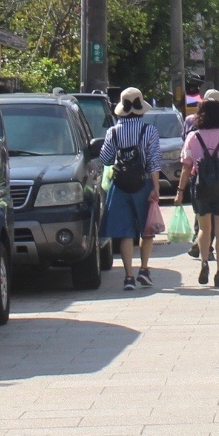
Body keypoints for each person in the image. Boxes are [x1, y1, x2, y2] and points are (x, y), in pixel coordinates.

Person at [176, 98, 219, 288]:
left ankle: (204, 262)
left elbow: (186, 167)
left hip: (200, 188)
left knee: (204, 229)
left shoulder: (193, 137)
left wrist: (180, 192)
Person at [99, 87, 160, 290]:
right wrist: (156, 188)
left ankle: (128, 277)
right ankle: (144, 269)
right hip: (143, 183)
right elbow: (154, 162)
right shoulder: (149, 130)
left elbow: (105, 158)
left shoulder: (113, 131)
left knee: (126, 232)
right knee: (147, 229)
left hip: (120, 185)